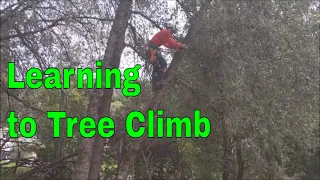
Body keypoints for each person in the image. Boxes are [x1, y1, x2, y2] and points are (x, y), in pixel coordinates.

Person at [145, 23, 188, 91]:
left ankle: (155, 85)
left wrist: (179, 47)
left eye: (172, 32)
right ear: (169, 29)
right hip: (152, 49)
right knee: (163, 64)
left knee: (156, 66)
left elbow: (168, 45)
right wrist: (181, 46)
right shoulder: (165, 32)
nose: (171, 33)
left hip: (150, 49)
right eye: (171, 31)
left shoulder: (164, 34)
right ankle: (159, 81)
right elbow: (172, 43)